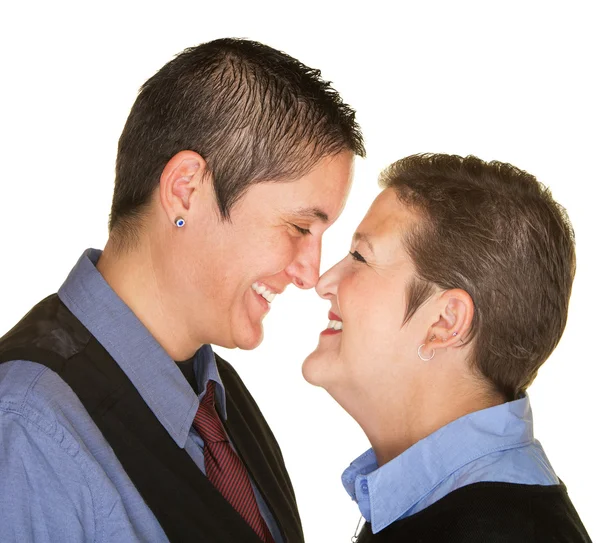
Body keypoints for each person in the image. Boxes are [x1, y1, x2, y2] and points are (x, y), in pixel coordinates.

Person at [0, 38, 364, 543]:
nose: (310, 273)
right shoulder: (26, 425)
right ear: (186, 189)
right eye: (300, 228)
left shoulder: (222, 403)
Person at [303, 154, 591, 542]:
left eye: (359, 257)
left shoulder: (492, 530)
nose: (323, 281)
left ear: (444, 323)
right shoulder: (469, 511)